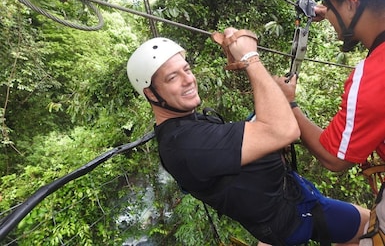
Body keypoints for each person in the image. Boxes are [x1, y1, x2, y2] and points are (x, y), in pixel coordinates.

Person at [126, 27, 369, 245]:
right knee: (368, 226)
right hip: (293, 218)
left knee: (362, 224)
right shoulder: (187, 145)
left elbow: (251, 131)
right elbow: (282, 130)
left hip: (292, 202)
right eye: (172, 77)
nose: (188, 80)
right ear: (151, 93)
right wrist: (250, 59)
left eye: (186, 69)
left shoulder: (187, 125)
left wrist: (277, 98)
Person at [274, 0, 385, 244]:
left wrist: (289, 104)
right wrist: (333, 13)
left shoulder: (372, 77)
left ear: (351, 2)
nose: (324, 11)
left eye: (328, 4)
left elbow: (333, 157)